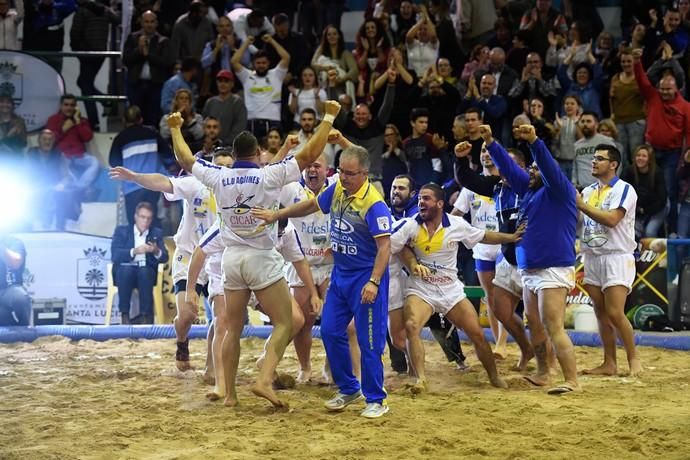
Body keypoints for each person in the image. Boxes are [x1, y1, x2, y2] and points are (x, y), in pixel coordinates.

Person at [169, 99, 342, 408]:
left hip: (231, 259)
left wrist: (175, 129)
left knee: (231, 328)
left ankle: (231, 394)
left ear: (234, 156)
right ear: (257, 154)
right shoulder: (268, 175)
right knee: (286, 323)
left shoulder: (219, 176)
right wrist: (328, 116)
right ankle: (263, 379)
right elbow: (311, 153)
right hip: (261, 256)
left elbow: (184, 159)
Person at [253, 138, 393, 418]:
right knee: (329, 331)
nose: (343, 177)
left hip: (365, 277)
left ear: (364, 174)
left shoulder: (375, 204)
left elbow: (385, 247)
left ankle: (376, 399)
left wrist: (374, 282)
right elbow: (311, 205)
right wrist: (277, 214)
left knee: (368, 341)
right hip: (340, 274)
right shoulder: (338, 189)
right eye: (340, 171)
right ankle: (349, 388)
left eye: (349, 173)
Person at [109, 147, 233, 368]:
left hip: (217, 260)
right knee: (186, 315)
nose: (224, 171)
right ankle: (182, 341)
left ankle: (210, 368)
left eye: (229, 167)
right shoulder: (196, 184)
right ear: (210, 168)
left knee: (221, 318)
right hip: (188, 255)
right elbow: (162, 182)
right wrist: (135, 177)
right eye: (219, 166)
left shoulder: (239, 192)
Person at [390, 183, 516, 392]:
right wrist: (412, 264)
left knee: (476, 333)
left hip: (450, 289)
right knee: (412, 326)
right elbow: (392, 245)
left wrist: (510, 238)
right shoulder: (410, 224)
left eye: (427, 198)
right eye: (420, 198)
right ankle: (420, 380)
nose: (421, 202)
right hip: (421, 288)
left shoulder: (456, 224)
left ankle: (493, 377)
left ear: (440, 204)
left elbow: (483, 235)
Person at [485, 123, 579, 394]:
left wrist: (535, 142)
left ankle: (572, 380)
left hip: (553, 268)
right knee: (534, 322)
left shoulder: (559, 191)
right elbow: (511, 169)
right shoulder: (529, 191)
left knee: (553, 326)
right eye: (531, 169)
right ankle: (543, 371)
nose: (532, 172)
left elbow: (548, 166)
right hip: (530, 269)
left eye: (536, 169)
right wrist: (492, 143)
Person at [454, 141, 535, 371]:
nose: (505, 170)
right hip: (505, 254)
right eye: (503, 165)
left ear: (524, 169)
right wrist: (460, 159)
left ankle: (544, 365)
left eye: (510, 165)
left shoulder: (532, 188)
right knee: (498, 306)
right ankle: (524, 348)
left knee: (535, 316)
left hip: (533, 259)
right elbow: (469, 181)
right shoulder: (498, 186)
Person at [577, 144, 642, 377]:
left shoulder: (625, 189)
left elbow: (613, 219)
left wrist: (582, 206)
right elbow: (580, 223)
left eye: (600, 159)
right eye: (593, 158)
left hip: (617, 256)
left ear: (613, 164)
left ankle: (634, 360)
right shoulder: (587, 191)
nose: (593, 162)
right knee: (600, 313)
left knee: (615, 312)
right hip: (592, 256)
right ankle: (609, 363)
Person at [452, 145, 507, 358]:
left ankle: (503, 341)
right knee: (490, 297)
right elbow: (455, 215)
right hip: (482, 247)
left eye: (490, 150)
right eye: (482, 150)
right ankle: (499, 343)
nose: (485, 154)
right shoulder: (470, 188)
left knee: (503, 296)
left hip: (505, 246)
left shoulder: (506, 183)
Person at [633, 47, 690, 235]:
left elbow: (689, 131)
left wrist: (688, 150)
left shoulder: (685, 106)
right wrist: (636, 62)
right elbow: (642, 81)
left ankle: (672, 232)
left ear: (677, 88)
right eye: (662, 89)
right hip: (650, 151)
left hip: (672, 154)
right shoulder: (653, 97)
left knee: (671, 195)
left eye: (669, 90)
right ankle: (650, 232)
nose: (665, 92)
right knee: (648, 191)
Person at [109, 106, 172, 226]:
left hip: (131, 188)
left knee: (135, 227)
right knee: (152, 223)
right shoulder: (153, 134)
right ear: (141, 119)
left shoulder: (120, 138)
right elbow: (168, 156)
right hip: (152, 185)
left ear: (124, 120)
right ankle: (153, 244)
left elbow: (114, 163)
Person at [110, 202, 169, 324]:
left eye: (148, 218)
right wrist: (134, 251)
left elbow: (165, 257)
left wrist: (156, 250)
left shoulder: (156, 233)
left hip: (145, 272)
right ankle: (125, 315)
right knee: (126, 270)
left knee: (145, 272)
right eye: (142, 217)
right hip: (125, 272)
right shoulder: (122, 231)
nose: (145, 221)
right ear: (136, 217)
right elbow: (115, 255)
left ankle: (145, 316)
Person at [231, 34, 291, 141]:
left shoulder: (276, 74)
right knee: (253, 154)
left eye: (264, 63)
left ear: (268, 63)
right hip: (252, 121)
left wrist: (272, 41)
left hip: (273, 120)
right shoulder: (247, 76)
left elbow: (286, 57)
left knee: (273, 155)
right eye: (258, 63)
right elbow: (234, 61)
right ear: (253, 64)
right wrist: (246, 43)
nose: (261, 65)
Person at [122, 10, 174, 126]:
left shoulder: (163, 41)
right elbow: (126, 60)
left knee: (153, 117)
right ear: (141, 23)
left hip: (155, 85)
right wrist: (139, 51)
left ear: (156, 23)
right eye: (146, 22)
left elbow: (167, 62)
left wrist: (148, 54)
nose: (149, 24)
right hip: (136, 85)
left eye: (152, 22)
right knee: (134, 117)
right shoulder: (133, 38)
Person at [45, 94, 99, 197]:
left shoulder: (82, 120)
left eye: (72, 105)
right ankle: (79, 189)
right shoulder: (53, 119)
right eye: (66, 105)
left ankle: (79, 187)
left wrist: (78, 122)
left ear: (76, 107)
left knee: (95, 162)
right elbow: (49, 140)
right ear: (60, 106)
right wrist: (63, 129)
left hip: (79, 155)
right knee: (64, 169)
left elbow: (87, 137)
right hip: (62, 155)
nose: (69, 108)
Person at [621, 145, 668, 239]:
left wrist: (645, 211)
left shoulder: (657, 173)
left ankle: (653, 253)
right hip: (636, 210)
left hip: (657, 208)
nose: (640, 158)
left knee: (650, 232)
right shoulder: (628, 172)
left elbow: (662, 199)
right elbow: (623, 194)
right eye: (638, 155)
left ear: (649, 159)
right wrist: (637, 210)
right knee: (632, 233)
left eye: (644, 156)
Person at [201, 70, 247, 147]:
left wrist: (224, 143)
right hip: (210, 145)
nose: (222, 84)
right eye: (220, 81)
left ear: (232, 84)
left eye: (226, 81)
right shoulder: (210, 102)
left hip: (230, 147)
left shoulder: (237, 102)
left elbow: (240, 127)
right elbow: (204, 124)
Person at [572, 112, 616, 189]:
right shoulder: (576, 145)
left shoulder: (607, 142)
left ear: (596, 124)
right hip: (583, 189)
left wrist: (612, 183)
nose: (585, 124)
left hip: (603, 188)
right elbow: (575, 167)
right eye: (582, 121)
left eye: (588, 121)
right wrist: (574, 183)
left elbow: (616, 163)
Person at [0, 235, 31, 326]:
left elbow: (15, 263)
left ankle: (25, 331)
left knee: (20, 298)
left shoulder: (15, 243)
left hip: (10, 289)